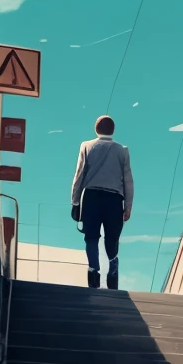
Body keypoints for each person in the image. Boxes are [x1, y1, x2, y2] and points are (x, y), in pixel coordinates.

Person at [71, 114, 134, 289]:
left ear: (96, 129)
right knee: (111, 238)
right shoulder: (122, 150)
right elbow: (128, 179)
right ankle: (113, 267)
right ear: (112, 130)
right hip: (114, 199)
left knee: (91, 236)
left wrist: (75, 202)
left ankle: (93, 271)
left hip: (91, 197)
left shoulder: (86, 146)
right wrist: (128, 206)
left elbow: (79, 175)